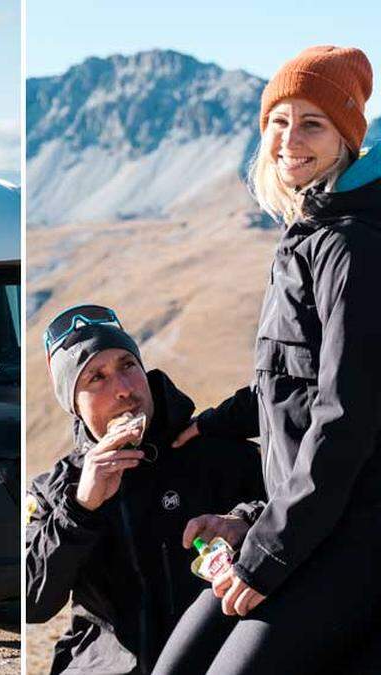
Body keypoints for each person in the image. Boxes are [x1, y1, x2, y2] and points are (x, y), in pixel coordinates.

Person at [153, 46, 381, 674]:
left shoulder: (352, 249)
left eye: (313, 123)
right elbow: (292, 380)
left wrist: (268, 552)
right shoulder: (308, 232)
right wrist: (221, 421)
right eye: (278, 120)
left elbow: (345, 419)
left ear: (348, 139)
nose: (289, 139)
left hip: (350, 535)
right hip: (302, 522)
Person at [26, 305, 264, 674]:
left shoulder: (213, 450)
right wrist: (80, 509)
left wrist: (243, 520)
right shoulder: (56, 490)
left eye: (127, 365)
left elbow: (301, 509)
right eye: (96, 379)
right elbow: (31, 601)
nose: (123, 390)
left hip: (217, 658)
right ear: (74, 405)